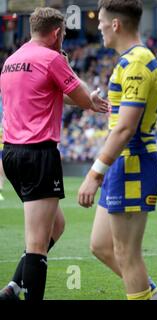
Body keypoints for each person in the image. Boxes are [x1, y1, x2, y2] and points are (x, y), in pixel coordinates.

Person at [0, 7, 109, 301]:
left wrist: (85, 100)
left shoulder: (12, 60)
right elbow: (83, 98)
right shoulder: (51, 58)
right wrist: (71, 72)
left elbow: (49, 95)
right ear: (57, 33)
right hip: (38, 153)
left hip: (11, 154)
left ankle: (12, 288)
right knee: (36, 243)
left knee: (56, 226)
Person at [78, 0, 157, 300]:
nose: (98, 27)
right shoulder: (130, 60)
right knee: (101, 246)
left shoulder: (137, 62)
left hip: (134, 161)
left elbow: (126, 128)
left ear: (115, 24)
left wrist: (94, 173)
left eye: (101, 22)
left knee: (127, 254)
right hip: (125, 162)